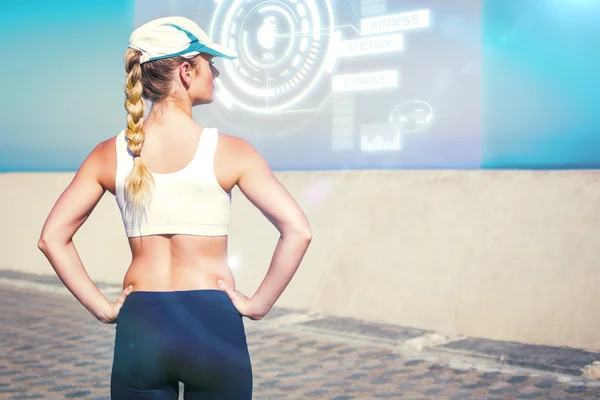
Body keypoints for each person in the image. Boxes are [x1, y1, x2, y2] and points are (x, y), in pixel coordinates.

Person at [37, 16, 312, 399]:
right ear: (186, 71)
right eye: (208, 62)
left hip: (141, 323)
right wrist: (258, 304)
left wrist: (101, 307)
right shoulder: (232, 152)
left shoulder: (109, 154)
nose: (216, 71)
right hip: (212, 322)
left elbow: (52, 237)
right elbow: (298, 230)